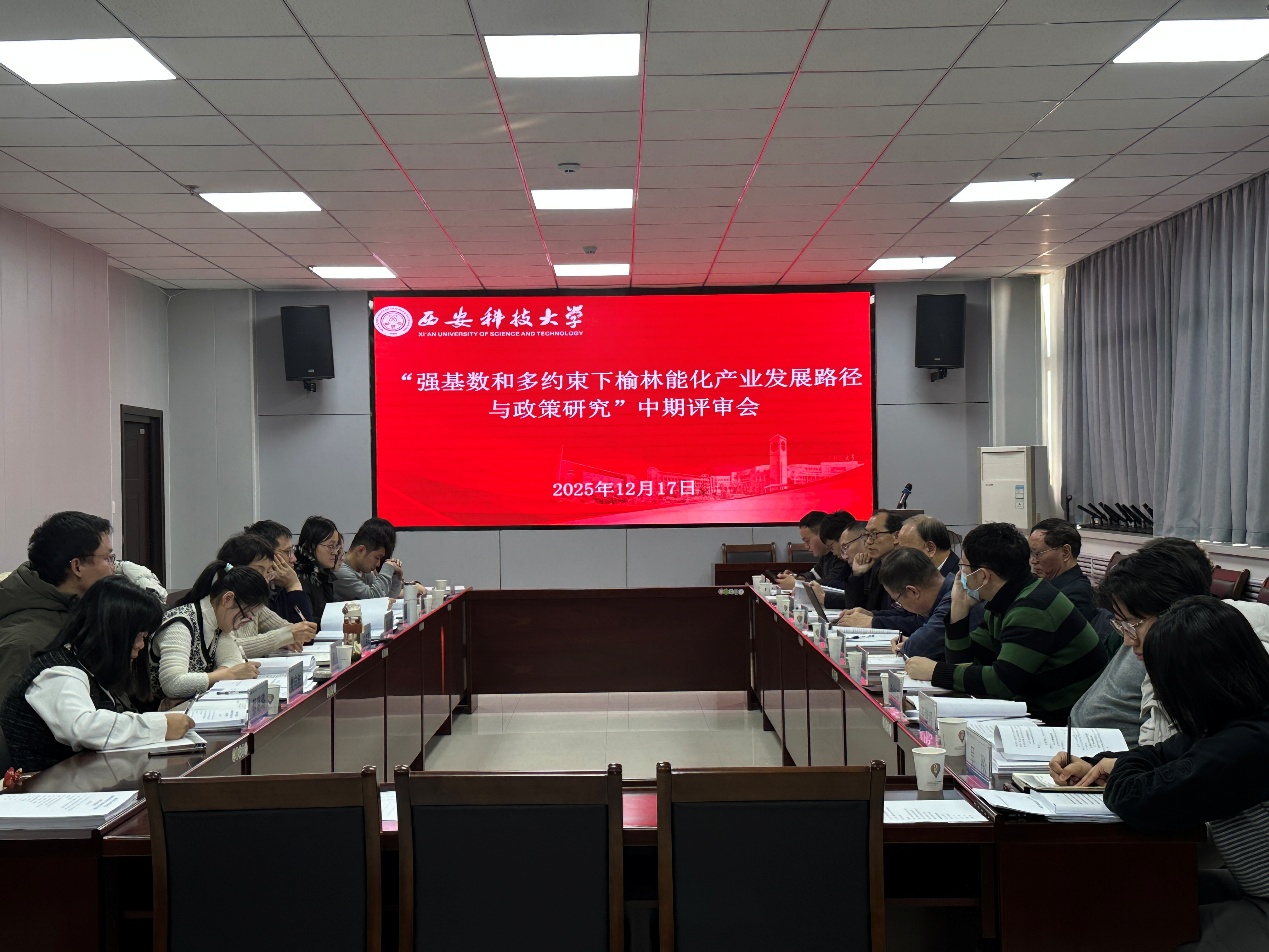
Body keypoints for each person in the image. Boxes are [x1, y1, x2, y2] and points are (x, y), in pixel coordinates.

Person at [1061, 598, 1269, 949]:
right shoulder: (1241, 716)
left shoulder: (1247, 743)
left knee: (1147, 929)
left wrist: (1121, 768)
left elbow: (1136, 799)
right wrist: (1105, 763)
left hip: (1262, 901)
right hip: (1250, 886)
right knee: (1133, 898)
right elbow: (1162, 755)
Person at [904, 521, 1106, 725]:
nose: (960, 575)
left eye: (963, 567)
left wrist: (936, 671)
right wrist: (958, 609)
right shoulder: (1006, 599)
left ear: (983, 576)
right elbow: (967, 662)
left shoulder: (1033, 606)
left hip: (1062, 722)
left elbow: (1002, 682)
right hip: (1034, 709)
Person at [1, 577, 194, 772]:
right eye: (138, 636)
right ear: (113, 632)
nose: (141, 645)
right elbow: (84, 729)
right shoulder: (57, 674)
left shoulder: (90, 667)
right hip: (44, 784)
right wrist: (160, 726)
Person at [1064, 544, 1209, 748]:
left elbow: (1176, 755)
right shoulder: (1152, 645)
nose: (1128, 641)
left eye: (1132, 625)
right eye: (1121, 625)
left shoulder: (1197, 666)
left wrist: (1119, 762)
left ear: (1174, 613)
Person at [1, 511, 128, 704]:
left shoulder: (81, 612)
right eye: (108, 558)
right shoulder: (23, 643)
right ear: (77, 567)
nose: (114, 568)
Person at [147, 561, 265, 704]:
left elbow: (233, 661)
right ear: (227, 599)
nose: (247, 621)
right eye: (246, 615)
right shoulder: (180, 625)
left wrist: (223, 675)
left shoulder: (218, 622)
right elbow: (173, 683)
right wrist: (227, 675)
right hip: (154, 711)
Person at [837, 514, 956, 631]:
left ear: (930, 548)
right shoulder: (917, 571)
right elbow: (907, 612)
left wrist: (874, 622)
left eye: (905, 550)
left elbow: (928, 623)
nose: (900, 555)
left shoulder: (956, 579)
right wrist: (871, 615)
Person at [215, 533, 316, 657]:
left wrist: (292, 635)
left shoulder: (255, 605)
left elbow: (300, 632)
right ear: (236, 570)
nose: (266, 578)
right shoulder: (219, 604)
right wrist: (284, 637)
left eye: (268, 571)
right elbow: (226, 648)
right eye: (259, 570)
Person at [878, 548, 985, 662]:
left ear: (913, 591)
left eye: (898, 601)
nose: (901, 606)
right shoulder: (949, 591)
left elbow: (914, 649)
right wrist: (910, 641)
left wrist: (908, 644)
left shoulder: (957, 598)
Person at [243, 519, 314, 625]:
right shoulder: (251, 593)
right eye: (287, 551)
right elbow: (303, 630)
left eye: (293, 551)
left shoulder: (281, 583)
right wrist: (293, 585)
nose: (294, 558)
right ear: (266, 554)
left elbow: (306, 630)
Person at [1028, 519, 1097, 624]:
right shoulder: (1048, 584)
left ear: (1065, 552)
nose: (1033, 561)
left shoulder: (1075, 594)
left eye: (1037, 553)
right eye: (1031, 553)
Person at [332, 520, 404, 600]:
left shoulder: (364, 570)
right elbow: (374, 599)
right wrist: (388, 569)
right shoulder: (341, 571)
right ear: (361, 550)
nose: (378, 564)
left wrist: (394, 576)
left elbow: (385, 599)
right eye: (377, 557)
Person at [809, 514, 866, 608]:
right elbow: (833, 583)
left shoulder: (877, 565)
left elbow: (867, 602)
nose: (834, 554)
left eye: (846, 546)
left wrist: (825, 598)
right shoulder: (852, 563)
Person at [295, 516, 342, 621]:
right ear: (311, 546)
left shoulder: (324, 574)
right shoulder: (301, 577)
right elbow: (308, 621)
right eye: (330, 546)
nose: (335, 552)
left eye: (336, 546)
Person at [777, 510, 833, 591]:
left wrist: (797, 584)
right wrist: (796, 577)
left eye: (807, 541)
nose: (806, 546)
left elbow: (831, 584)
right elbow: (813, 574)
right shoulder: (825, 556)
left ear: (822, 534)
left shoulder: (840, 556)